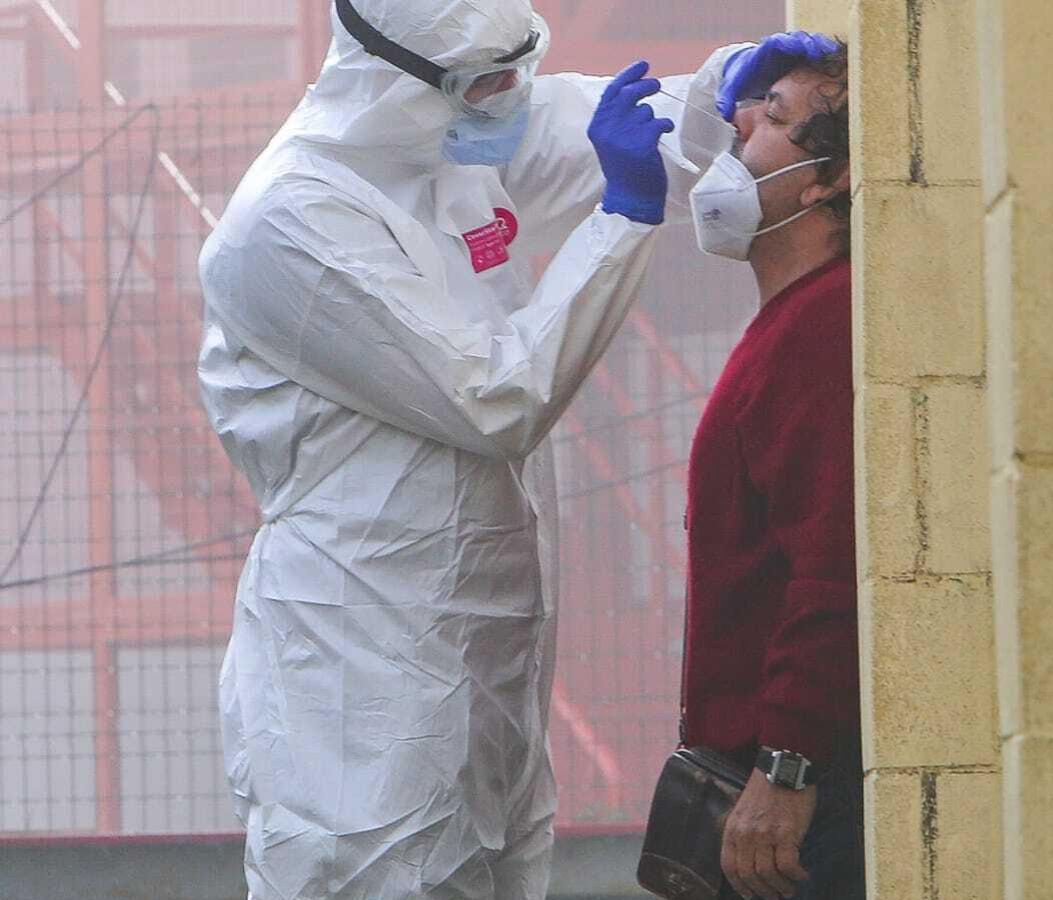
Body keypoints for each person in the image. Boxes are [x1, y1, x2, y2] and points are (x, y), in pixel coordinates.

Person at [195, 0, 833, 895]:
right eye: (487, 84)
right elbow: (496, 397)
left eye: (517, 69)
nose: (511, 100)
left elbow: (626, 122)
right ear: (401, 84)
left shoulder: (446, 138)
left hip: (486, 655)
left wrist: (742, 82)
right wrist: (621, 217)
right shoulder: (289, 224)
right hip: (357, 671)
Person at [678, 35, 860, 900]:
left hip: (798, 808)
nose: (739, 121)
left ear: (827, 181)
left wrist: (786, 766)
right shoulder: (793, 321)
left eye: (773, 118)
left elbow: (831, 563)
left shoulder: (824, 326)